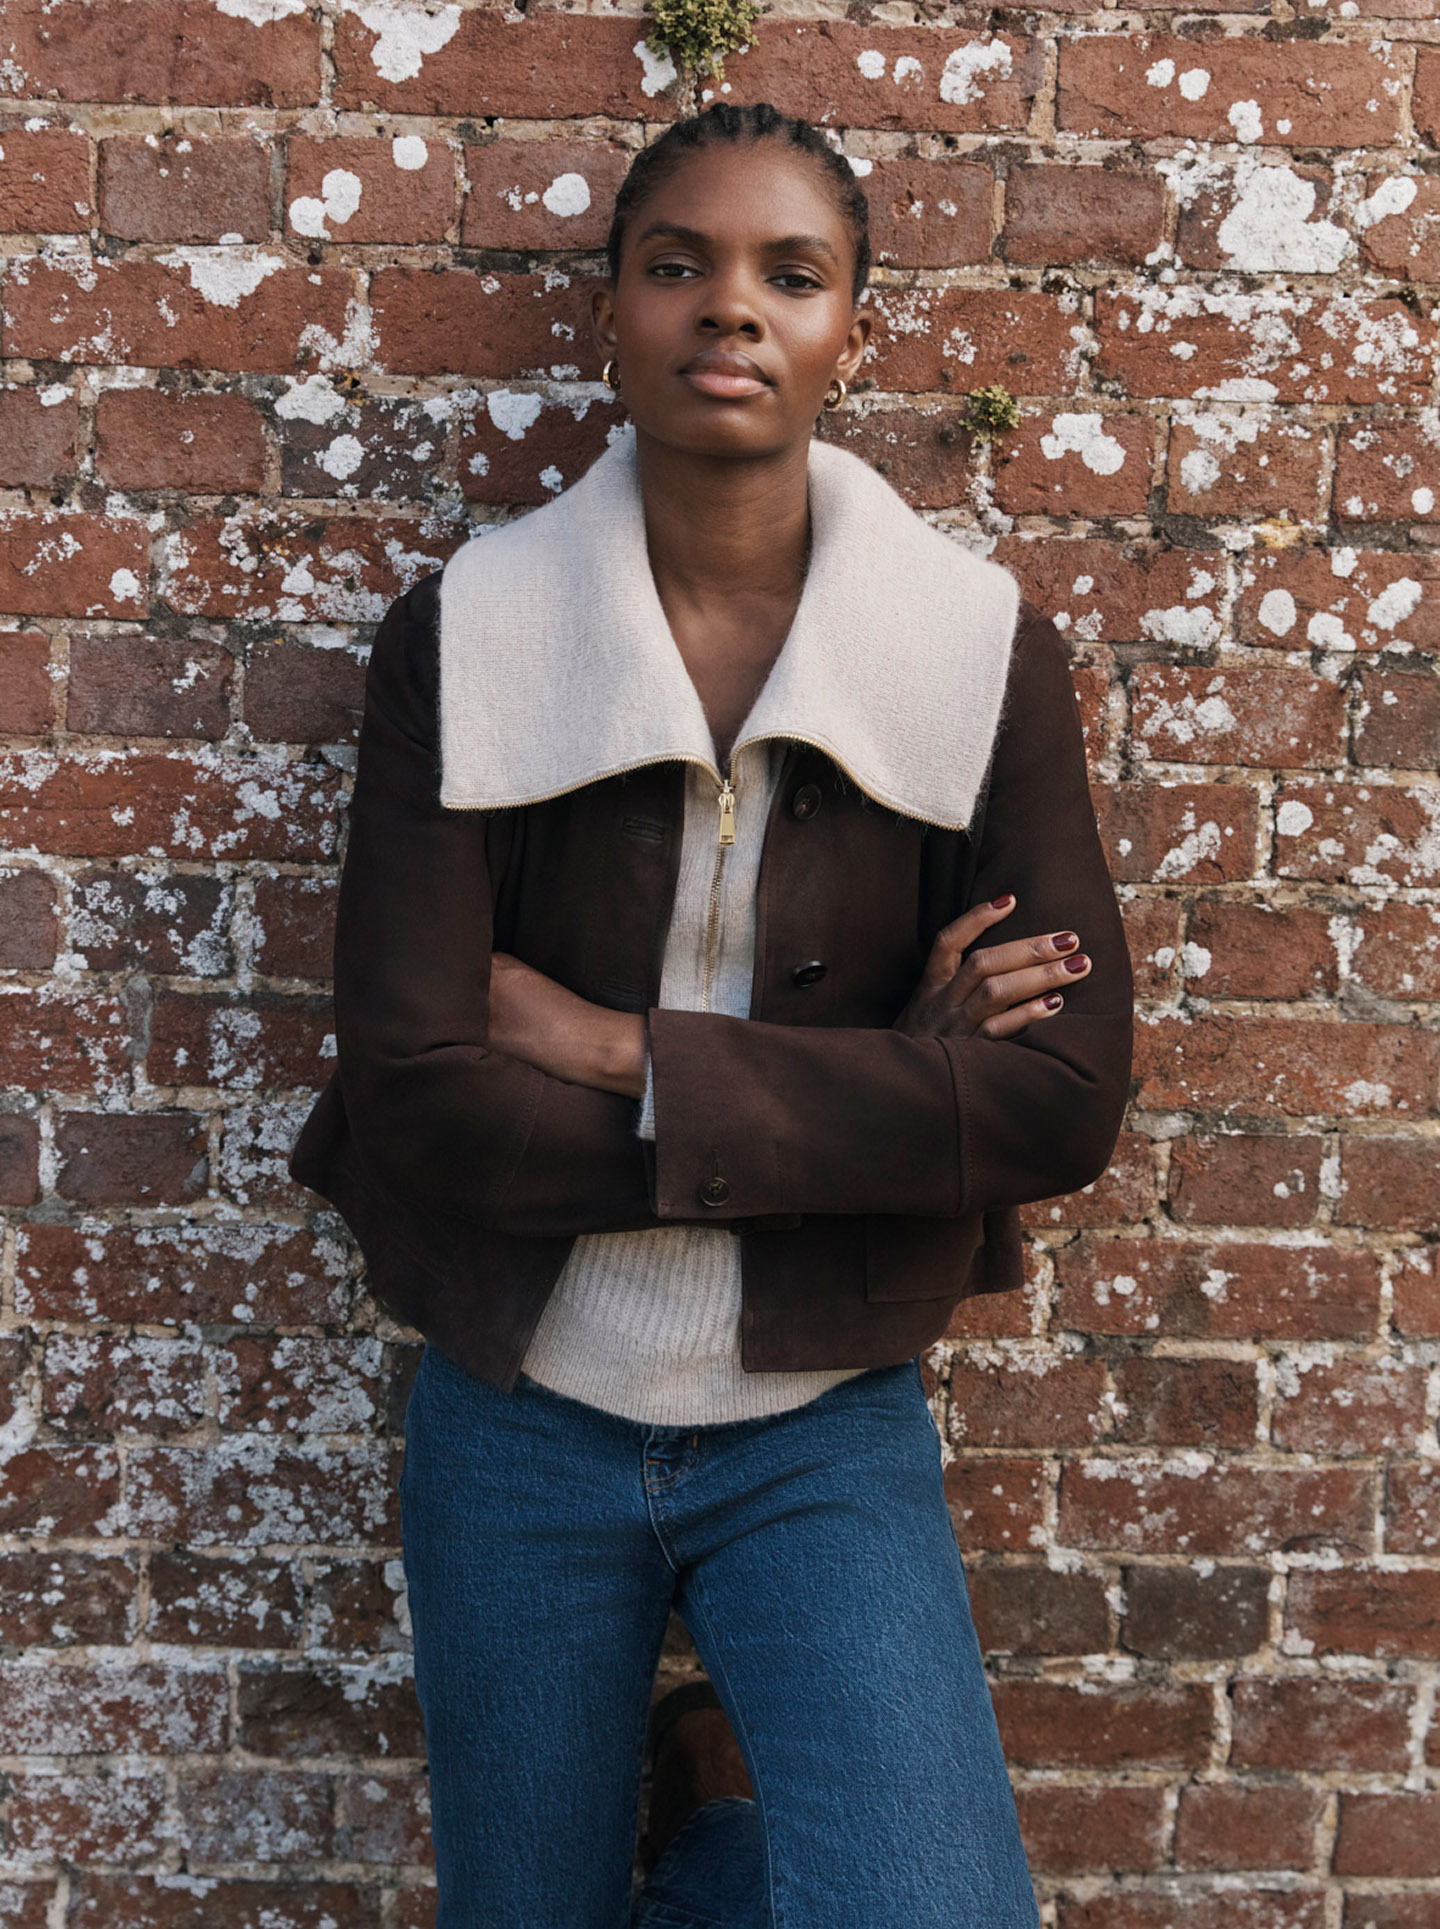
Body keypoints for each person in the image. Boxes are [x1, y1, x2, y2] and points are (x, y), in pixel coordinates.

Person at [291, 100, 1133, 1929]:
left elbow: (1062, 1099)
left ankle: (721, 1836)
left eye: (788, 273)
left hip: (821, 1410)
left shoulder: (975, 651)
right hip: (522, 1405)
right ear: (612, 311)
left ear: (851, 327)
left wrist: (619, 1051)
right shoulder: (470, 634)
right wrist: (892, 1088)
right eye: (677, 265)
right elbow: (422, 1093)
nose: (728, 309)